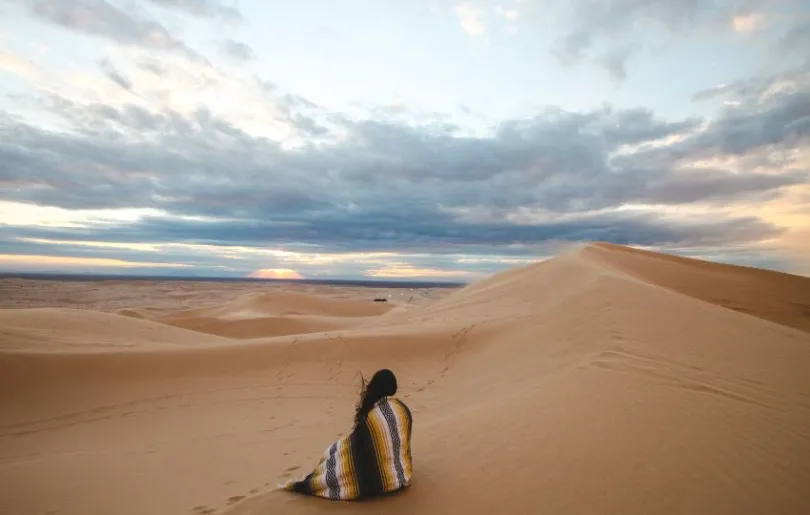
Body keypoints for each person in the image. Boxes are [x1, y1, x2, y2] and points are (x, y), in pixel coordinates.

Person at [281, 369, 413, 501]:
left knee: (337, 455)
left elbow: (357, 453)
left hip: (382, 487)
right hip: (401, 478)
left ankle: (316, 480)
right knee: (342, 449)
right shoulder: (403, 410)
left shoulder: (372, 419)